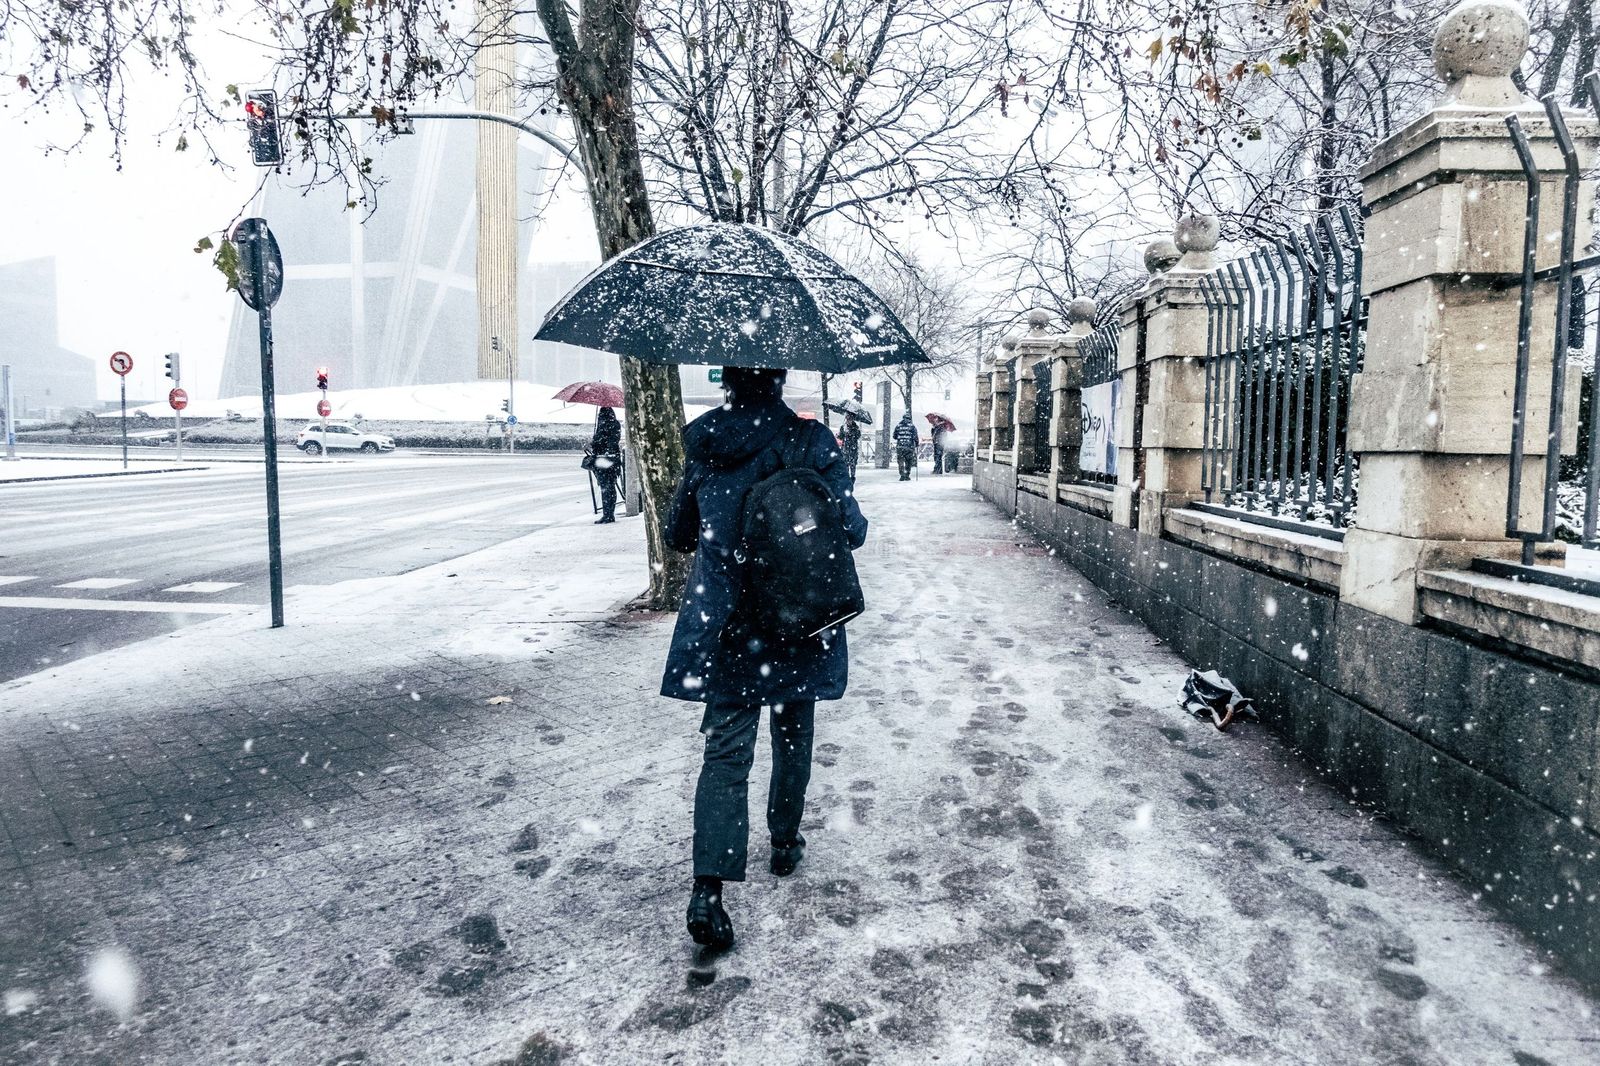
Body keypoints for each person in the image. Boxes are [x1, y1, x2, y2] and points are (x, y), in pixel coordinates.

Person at [663, 366, 869, 951]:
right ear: (778, 380)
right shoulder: (811, 440)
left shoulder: (705, 440)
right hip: (798, 615)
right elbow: (853, 530)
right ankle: (784, 841)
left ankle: (708, 890)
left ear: (725, 382)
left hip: (729, 622)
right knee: (793, 734)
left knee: (726, 751)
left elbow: (679, 533)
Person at [588, 406, 623, 523]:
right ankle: (609, 513)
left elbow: (606, 442)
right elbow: (613, 441)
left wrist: (595, 442)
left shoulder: (604, 425)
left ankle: (607, 514)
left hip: (604, 460)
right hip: (612, 459)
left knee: (606, 487)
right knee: (610, 487)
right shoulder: (614, 424)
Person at [893, 411, 920, 481]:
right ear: (910, 419)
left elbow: (894, 436)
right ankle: (907, 474)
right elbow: (915, 437)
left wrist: (901, 437)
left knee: (900, 461)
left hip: (900, 446)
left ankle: (902, 474)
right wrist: (917, 444)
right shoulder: (912, 426)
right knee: (908, 461)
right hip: (909, 447)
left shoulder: (898, 426)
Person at [839, 413, 862, 481]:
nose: (848, 421)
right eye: (847, 419)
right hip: (845, 449)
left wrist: (850, 433)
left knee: (852, 465)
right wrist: (839, 435)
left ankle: (852, 478)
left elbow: (858, 436)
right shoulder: (843, 427)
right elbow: (841, 437)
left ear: (852, 420)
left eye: (850, 419)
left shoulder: (856, 427)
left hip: (853, 449)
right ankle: (846, 478)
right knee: (845, 464)